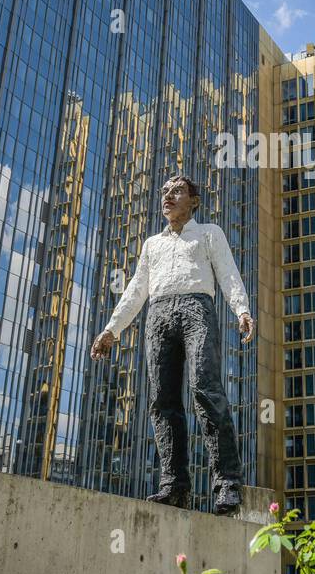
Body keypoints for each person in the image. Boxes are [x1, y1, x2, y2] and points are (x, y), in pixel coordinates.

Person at [91, 174, 255, 515]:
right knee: (162, 400)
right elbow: (137, 289)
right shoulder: (153, 244)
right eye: (165, 191)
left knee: (204, 388)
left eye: (177, 191)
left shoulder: (210, 233)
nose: (168, 195)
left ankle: (227, 481)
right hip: (159, 315)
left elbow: (228, 273)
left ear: (193, 201)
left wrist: (242, 310)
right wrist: (111, 330)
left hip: (198, 308)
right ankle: (174, 486)